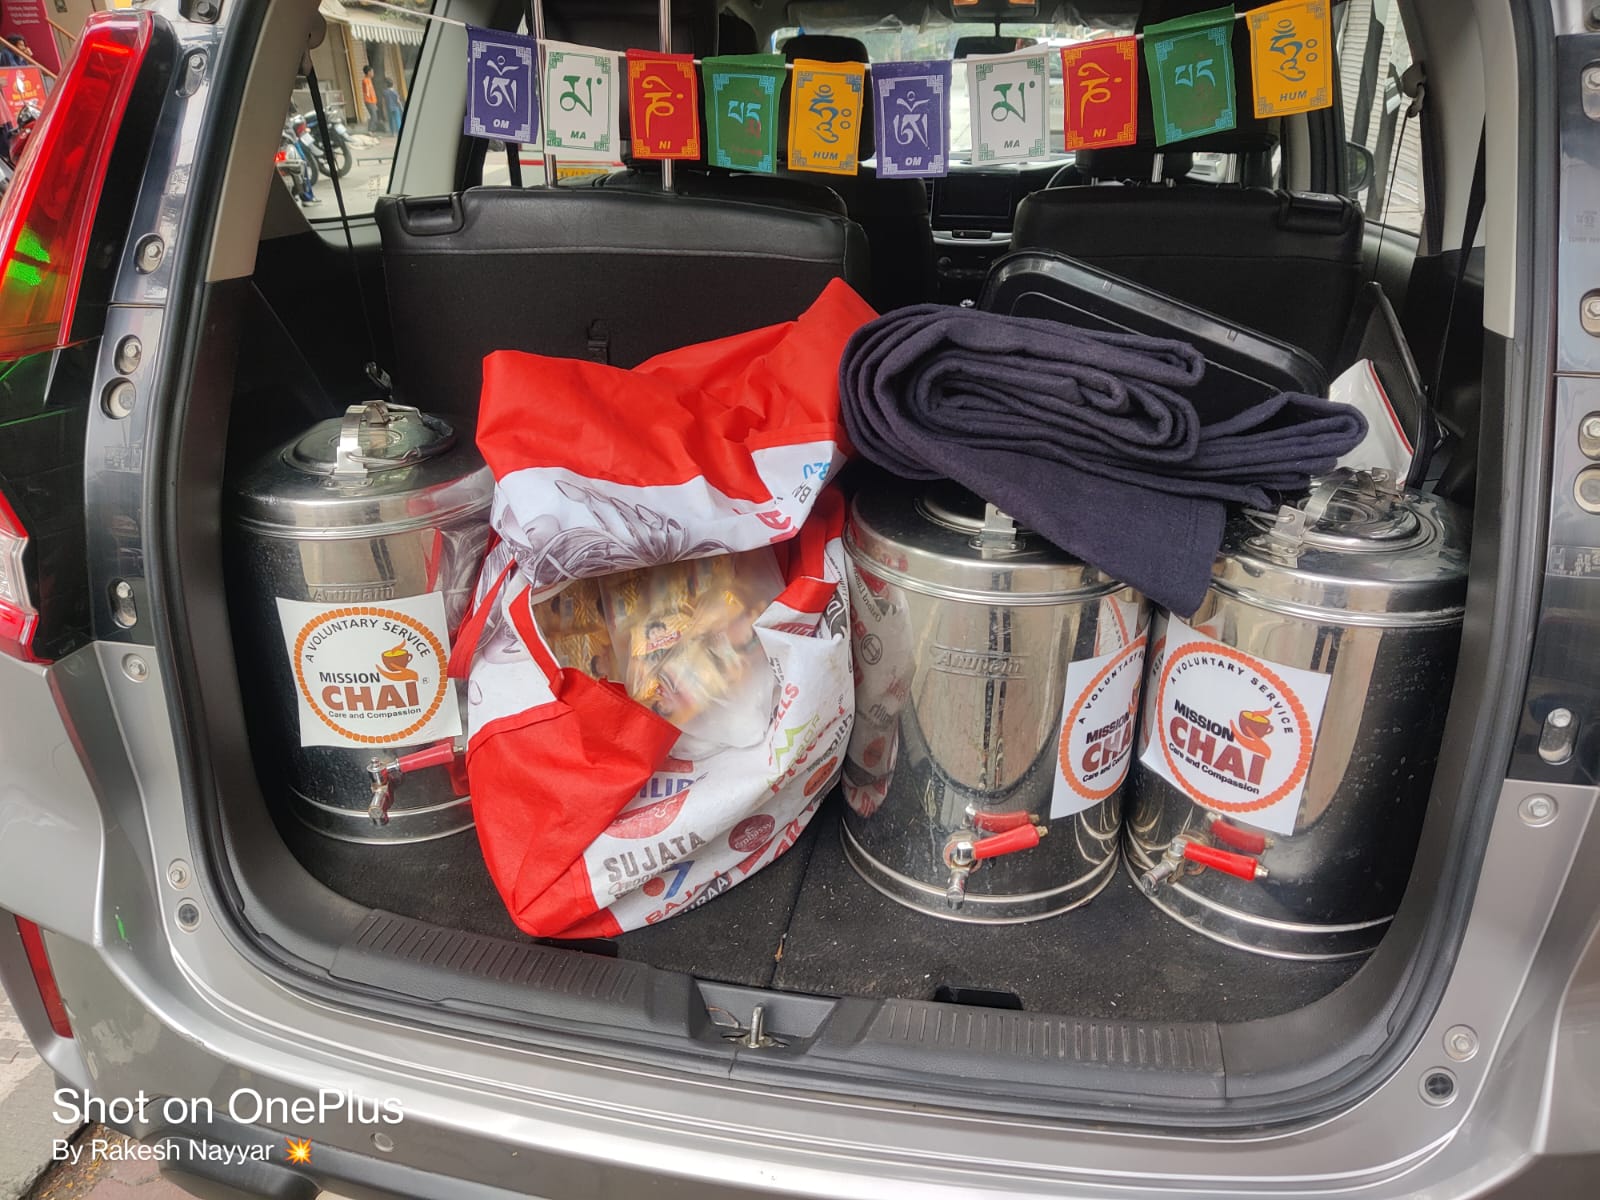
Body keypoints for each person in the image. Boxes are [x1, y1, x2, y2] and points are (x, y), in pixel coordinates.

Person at [360, 64, 382, 134]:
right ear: (368, 72)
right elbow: (367, 91)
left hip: (372, 101)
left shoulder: (369, 80)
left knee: (374, 115)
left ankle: (372, 130)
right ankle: (370, 130)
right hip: (369, 101)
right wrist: (371, 100)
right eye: (372, 72)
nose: (373, 73)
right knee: (374, 115)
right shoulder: (365, 80)